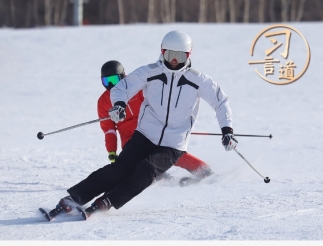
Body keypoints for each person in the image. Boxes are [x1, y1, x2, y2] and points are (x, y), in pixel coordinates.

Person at [48, 30, 238, 220]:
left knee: (146, 172)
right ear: (162, 51)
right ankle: (73, 198)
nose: (173, 60)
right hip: (145, 135)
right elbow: (122, 87)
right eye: (169, 54)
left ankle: (107, 201)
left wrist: (227, 130)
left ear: (188, 55)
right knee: (119, 169)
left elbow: (221, 102)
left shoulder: (198, 81)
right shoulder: (149, 72)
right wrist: (120, 104)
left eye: (179, 56)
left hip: (173, 144)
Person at [98, 60, 211, 181]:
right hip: (128, 140)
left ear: (123, 77)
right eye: (106, 81)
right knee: (138, 162)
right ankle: (163, 179)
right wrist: (111, 151)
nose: (111, 85)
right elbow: (109, 130)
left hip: (150, 130)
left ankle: (205, 171)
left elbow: (158, 106)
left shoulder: (136, 88)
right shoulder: (103, 102)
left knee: (170, 154)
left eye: (114, 80)